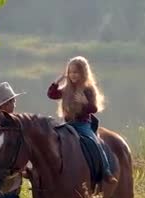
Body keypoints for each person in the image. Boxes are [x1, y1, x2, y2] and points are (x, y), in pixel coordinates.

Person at [47, 55, 117, 185]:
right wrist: (59, 80)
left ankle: (106, 171)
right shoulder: (66, 89)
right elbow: (51, 94)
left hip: (82, 124)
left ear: (83, 73)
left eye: (76, 72)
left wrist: (84, 102)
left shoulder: (88, 89)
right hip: (67, 124)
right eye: (71, 72)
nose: (73, 75)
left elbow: (94, 108)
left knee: (94, 142)